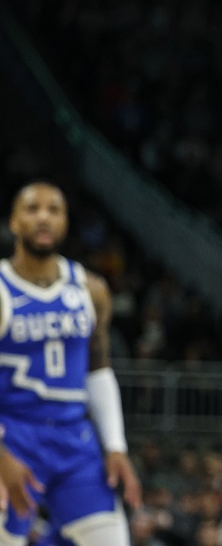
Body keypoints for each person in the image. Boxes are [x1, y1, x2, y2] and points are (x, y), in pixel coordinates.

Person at [0, 182, 142, 546]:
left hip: (73, 439)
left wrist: (115, 445)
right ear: (14, 222)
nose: (43, 217)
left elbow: (99, 369)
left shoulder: (91, 289)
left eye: (54, 210)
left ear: (65, 222)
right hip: (11, 436)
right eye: (32, 209)